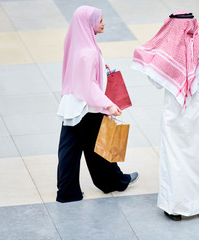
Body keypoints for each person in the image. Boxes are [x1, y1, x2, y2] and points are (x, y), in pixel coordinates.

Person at [132, 11, 199, 220]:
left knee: (175, 160)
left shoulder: (166, 54)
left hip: (173, 117)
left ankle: (176, 207)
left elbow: (157, 83)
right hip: (198, 116)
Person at [56, 6, 138, 203]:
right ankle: (114, 182)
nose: (103, 23)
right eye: (99, 20)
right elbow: (89, 86)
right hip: (87, 108)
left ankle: (67, 192)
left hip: (71, 105)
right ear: (88, 23)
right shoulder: (88, 51)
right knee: (101, 147)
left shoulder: (76, 44)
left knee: (69, 150)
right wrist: (108, 104)